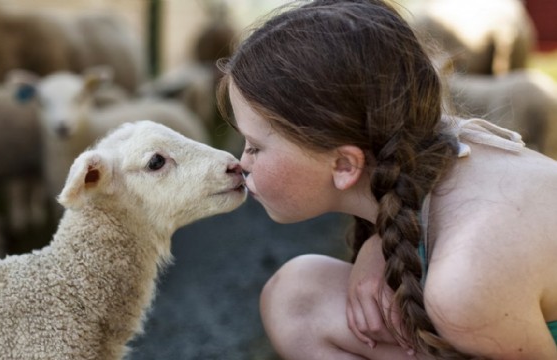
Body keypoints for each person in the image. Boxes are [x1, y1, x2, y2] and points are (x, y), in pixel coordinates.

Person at [216, 0, 557, 358]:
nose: (242, 163)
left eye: (254, 146)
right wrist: (379, 244)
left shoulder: (465, 282)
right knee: (297, 299)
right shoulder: (439, 147)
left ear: (346, 165)